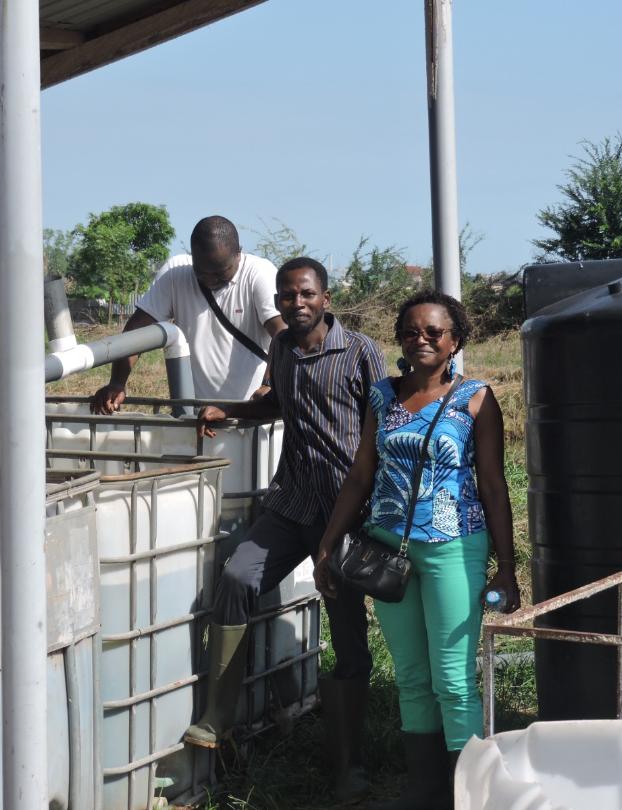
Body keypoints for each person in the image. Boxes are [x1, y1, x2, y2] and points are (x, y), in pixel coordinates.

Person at [186, 257, 386, 803]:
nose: (295, 304)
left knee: (346, 630)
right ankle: (219, 714)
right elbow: (275, 403)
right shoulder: (280, 349)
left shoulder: (359, 350)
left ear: (325, 297)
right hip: (291, 503)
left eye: (305, 294)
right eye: (285, 296)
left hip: (343, 514)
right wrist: (226, 410)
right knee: (237, 575)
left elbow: (386, 423)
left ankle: (347, 764)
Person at [315, 290, 520, 810]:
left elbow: (494, 487)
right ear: (400, 339)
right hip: (387, 552)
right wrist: (327, 544)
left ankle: (469, 792)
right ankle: (424, 789)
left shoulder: (477, 397)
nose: (421, 339)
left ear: (455, 341)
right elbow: (362, 475)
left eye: (434, 331)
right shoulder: (382, 396)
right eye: (411, 331)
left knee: (453, 678)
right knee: (410, 676)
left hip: (455, 546)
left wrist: (507, 569)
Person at [90, 215, 285, 412]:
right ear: (192, 256)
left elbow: (282, 333)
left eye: (219, 272)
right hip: (197, 414)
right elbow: (137, 331)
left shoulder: (258, 274)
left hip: (251, 412)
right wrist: (117, 383)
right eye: (202, 271)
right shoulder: (175, 274)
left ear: (238, 254)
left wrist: (269, 384)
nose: (210, 279)